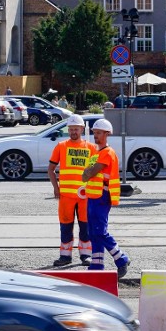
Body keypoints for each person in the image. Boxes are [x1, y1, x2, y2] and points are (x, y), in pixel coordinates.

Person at [82, 118, 131, 278]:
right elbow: (85, 176)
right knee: (94, 232)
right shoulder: (97, 153)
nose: (95, 136)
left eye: (99, 133)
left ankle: (121, 258)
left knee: (99, 231)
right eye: (94, 133)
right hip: (93, 196)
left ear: (107, 134)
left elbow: (90, 172)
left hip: (102, 196)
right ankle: (97, 265)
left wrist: (88, 171)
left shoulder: (106, 153)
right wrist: (88, 172)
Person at [48, 114, 96, 266]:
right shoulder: (61, 146)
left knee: (85, 227)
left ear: (82, 129)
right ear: (68, 130)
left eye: (76, 129)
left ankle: (86, 256)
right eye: (70, 129)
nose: (73, 132)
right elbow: (51, 169)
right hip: (66, 196)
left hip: (85, 196)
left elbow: (96, 172)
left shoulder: (91, 148)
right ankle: (65, 256)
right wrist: (56, 188)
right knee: (66, 227)